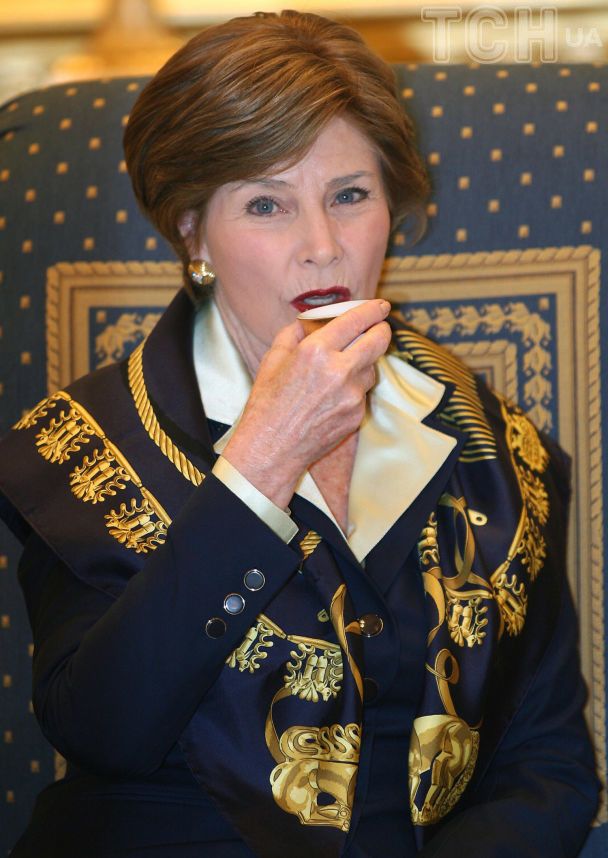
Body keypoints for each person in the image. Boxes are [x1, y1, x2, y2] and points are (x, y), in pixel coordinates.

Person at [0, 10, 599, 858]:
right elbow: (103, 731)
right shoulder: (84, 447)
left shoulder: (498, 453)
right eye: (266, 204)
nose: (323, 248)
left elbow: (550, 768)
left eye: (349, 196)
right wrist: (261, 466)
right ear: (191, 230)